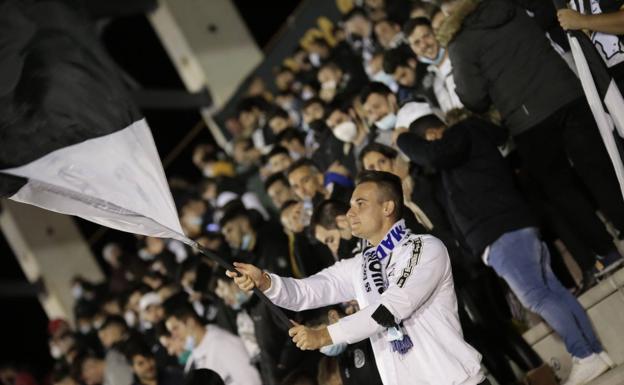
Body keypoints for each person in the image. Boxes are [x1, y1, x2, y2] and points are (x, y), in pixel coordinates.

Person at [395, 106, 614, 385]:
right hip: (510, 229)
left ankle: (585, 355)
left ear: (432, 134)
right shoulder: (463, 146)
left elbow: (433, 154)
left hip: (502, 233)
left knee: (538, 296)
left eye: (421, 143)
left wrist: (402, 138)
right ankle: (594, 353)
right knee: (552, 292)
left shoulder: (462, 135)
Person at [227, 171, 486, 385]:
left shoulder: (425, 248)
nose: (350, 213)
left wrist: (325, 336)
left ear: (388, 207)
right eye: (350, 205)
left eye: (360, 204)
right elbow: (307, 292)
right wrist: (265, 281)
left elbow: (390, 309)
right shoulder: (358, 265)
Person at [439, 0, 624, 281]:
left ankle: (607, 251)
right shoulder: (512, 8)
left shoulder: (461, 44)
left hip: (528, 121)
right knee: (598, 167)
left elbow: (473, 97)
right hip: (568, 94)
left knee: (561, 189)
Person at [164, 303, 261, 384]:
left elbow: (251, 380)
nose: (174, 336)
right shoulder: (191, 362)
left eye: (175, 328)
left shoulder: (223, 343)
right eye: (171, 332)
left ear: (190, 322)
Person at [404, 17, 463, 112]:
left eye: (426, 36)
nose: (424, 45)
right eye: (417, 42)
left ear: (435, 32)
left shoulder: (462, 57)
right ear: (412, 49)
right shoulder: (428, 82)